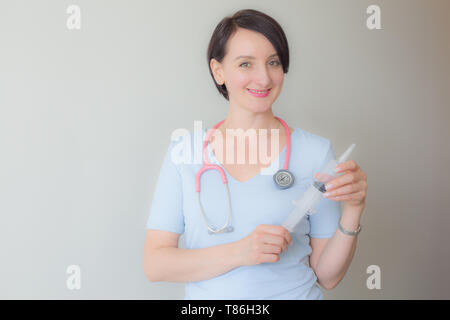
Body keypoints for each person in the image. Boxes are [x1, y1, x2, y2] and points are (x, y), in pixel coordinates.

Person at [143, 9, 368, 300]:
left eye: (273, 62)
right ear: (218, 71)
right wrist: (240, 252)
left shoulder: (315, 152)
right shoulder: (184, 153)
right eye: (246, 64)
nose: (263, 78)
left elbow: (327, 277)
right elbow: (156, 264)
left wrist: (353, 210)